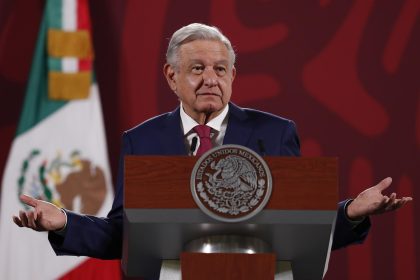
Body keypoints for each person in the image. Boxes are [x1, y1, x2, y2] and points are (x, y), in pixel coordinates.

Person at [14, 23, 412, 260]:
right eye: (197, 68)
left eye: (221, 69)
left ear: (233, 75)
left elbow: (302, 228)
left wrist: (351, 213)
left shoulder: (275, 133)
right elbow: (124, 235)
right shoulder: (142, 140)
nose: (211, 79)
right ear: (171, 76)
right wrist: (66, 221)